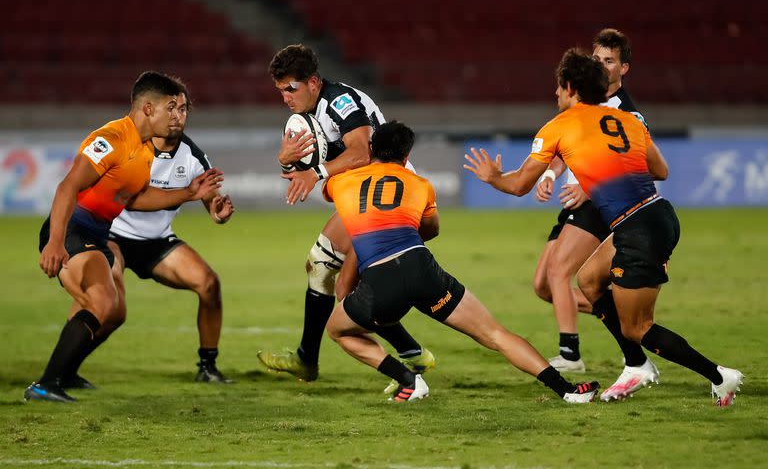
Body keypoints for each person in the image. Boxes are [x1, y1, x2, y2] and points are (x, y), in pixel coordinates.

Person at [464, 48, 743, 406]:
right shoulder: (629, 121)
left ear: (569, 87)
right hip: (655, 215)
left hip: (639, 229)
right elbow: (660, 170)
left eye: (557, 88)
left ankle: (719, 376)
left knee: (637, 327)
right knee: (590, 279)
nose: (555, 94)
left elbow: (519, 185)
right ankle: (636, 364)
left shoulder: (559, 126)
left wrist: (492, 177)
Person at [324, 121, 599, 403]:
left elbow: (332, 192)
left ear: (371, 150)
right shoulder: (421, 186)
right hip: (421, 268)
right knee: (495, 334)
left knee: (338, 329)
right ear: (406, 157)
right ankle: (566, 390)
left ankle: (407, 378)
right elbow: (432, 230)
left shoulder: (342, 183)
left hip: (379, 279)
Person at [27, 71, 223, 402]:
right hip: (72, 229)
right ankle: (46, 384)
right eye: (170, 107)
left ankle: (66, 373)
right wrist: (55, 241)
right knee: (102, 301)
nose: (178, 116)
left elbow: (132, 200)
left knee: (115, 312)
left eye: (182, 108)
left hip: (96, 234)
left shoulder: (144, 151)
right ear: (148, 108)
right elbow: (67, 187)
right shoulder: (112, 138)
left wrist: (188, 194)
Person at [256, 44, 434, 388]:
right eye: (280, 91)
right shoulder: (305, 115)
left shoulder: (340, 102)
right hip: (367, 197)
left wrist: (317, 173)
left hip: (389, 195)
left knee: (348, 281)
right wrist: (285, 161)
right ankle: (403, 353)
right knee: (323, 267)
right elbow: (301, 166)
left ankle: (408, 359)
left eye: (291, 88)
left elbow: (362, 151)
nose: (286, 98)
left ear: (312, 82)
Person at [532, 28, 648, 375]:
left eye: (609, 61)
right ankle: (630, 322)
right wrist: (551, 174)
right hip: (573, 203)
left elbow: (640, 166)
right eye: (597, 59)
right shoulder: (586, 103)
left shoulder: (628, 115)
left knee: (558, 274)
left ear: (624, 69)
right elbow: (568, 146)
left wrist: (590, 188)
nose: (601, 65)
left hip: (598, 204)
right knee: (543, 286)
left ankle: (571, 354)